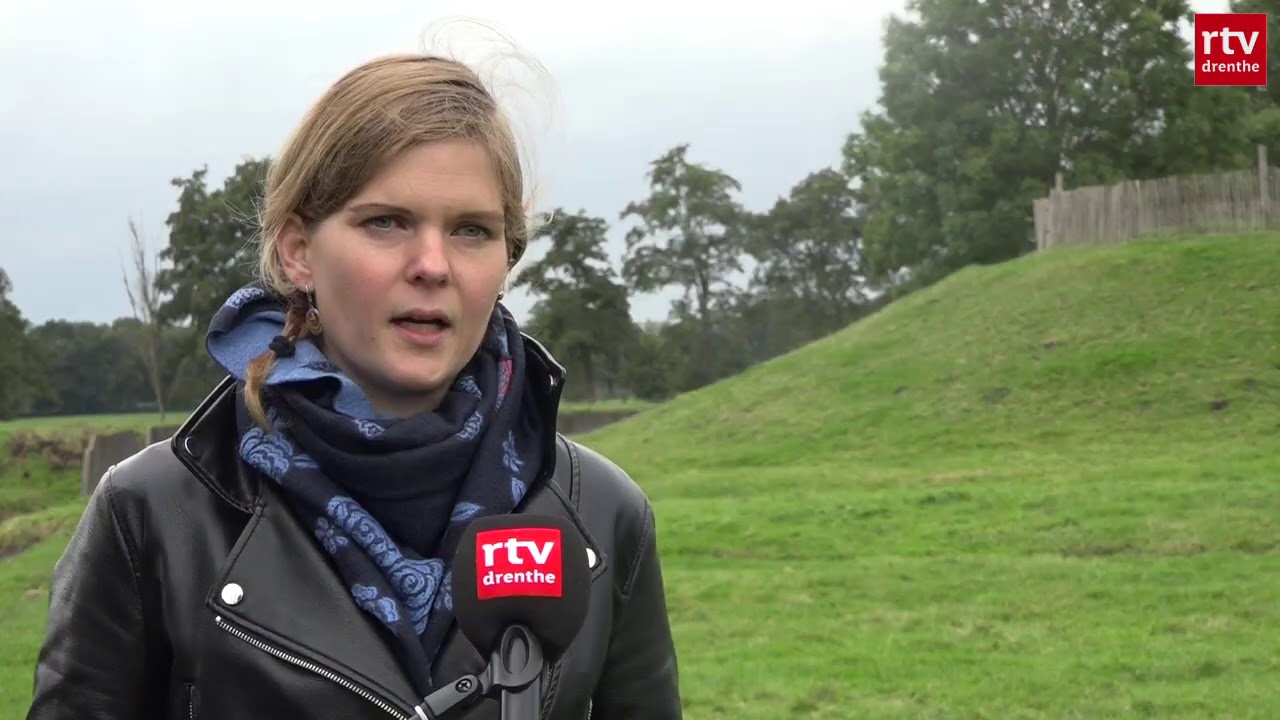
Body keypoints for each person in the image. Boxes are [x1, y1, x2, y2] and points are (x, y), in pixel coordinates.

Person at [26, 52, 681, 720]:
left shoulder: (601, 514)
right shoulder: (157, 513)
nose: (432, 265)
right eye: (386, 222)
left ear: (505, 259)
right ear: (298, 251)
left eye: (472, 230)